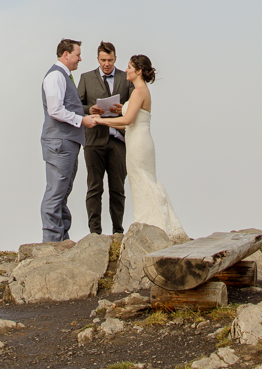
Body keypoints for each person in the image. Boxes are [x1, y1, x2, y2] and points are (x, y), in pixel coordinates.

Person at [96, 53, 188, 242]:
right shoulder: (140, 91)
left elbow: (128, 120)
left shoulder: (138, 91)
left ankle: (154, 224)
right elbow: (128, 122)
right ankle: (154, 223)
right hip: (137, 139)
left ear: (138, 71)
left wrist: (101, 121)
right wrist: (116, 113)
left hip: (138, 143)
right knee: (142, 181)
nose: (126, 70)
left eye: (130, 67)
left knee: (142, 181)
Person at [39, 38, 100, 242]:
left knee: (62, 192)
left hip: (67, 143)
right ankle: (51, 242)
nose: (80, 59)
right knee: (56, 192)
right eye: (77, 54)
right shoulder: (55, 76)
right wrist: (82, 120)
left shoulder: (64, 76)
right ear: (66, 54)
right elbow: (55, 109)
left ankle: (62, 238)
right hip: (60, 143)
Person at [78, 41, 131, 235]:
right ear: (98, 59)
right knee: (94, 188)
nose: (106, 64)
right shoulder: (86, 78)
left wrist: (123, 108)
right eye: (103, 60)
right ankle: (95, 232)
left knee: (118, 189)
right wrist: (90, 109)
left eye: (109, 60)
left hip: (118, 140)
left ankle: (118, 231)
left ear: (115, 58)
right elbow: (75, 105)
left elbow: (134, 104)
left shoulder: (126, 78)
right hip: (94, 140)